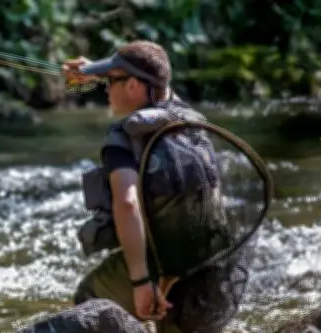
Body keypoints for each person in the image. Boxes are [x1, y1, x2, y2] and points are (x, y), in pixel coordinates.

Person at [63, 41, 256, 333]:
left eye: (110, 80)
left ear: (133, 86)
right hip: (214, 268)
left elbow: (128, 203)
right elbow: (154, 77)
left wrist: (141, 282)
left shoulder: (123, 138)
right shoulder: (189, 119)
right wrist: (97, 71)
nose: (105, 89)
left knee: (90, 301)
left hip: (163, 272)